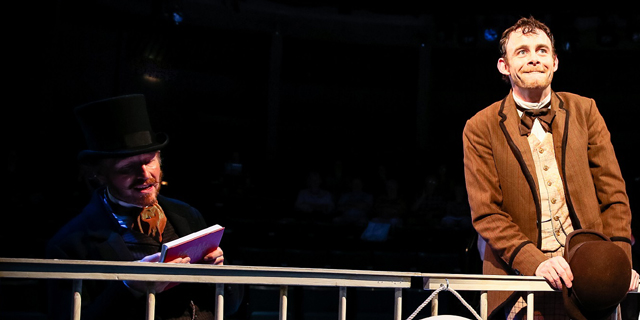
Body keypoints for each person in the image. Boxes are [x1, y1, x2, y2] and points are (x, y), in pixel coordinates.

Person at [462, 17, 639, 320]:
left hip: (592, 271)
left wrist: (617, 262)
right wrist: (536, 262)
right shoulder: (480, 127)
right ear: (504, 66)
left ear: (555, 62)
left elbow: (614, 196)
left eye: (542, 50)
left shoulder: (585, 110)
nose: (534, 58)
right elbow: (487, 213)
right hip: (522, 278)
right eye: (522, 51)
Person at [46, 94, 241, 320]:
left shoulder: (187, 215)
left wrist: (219, 273)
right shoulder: (69, 244)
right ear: (100, 175)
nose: (145, 175)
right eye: (127, 168)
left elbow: (229, 306)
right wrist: (130, 285)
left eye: (149, 161)